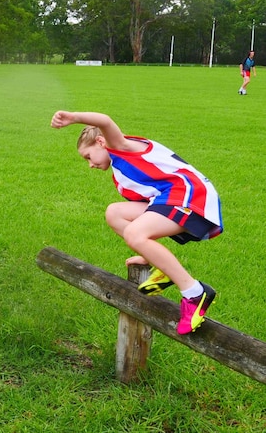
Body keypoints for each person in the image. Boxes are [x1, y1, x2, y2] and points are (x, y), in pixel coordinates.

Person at [50, 110, 223, 335]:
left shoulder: (119, 147)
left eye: (88, 156)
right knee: (115, 213)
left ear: (101, 142)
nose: (89, 165)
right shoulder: (119, 168)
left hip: (189, 195)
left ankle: (194, 292)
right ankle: (161, 265)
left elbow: (104, 120)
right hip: (170, 198)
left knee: (134, 233)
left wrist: (73, 117)